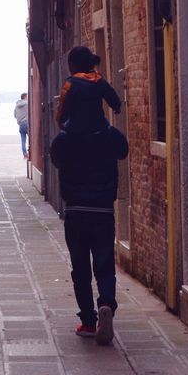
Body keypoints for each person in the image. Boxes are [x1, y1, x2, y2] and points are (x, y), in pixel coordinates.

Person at [50, 111, 129, 345]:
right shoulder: (109, 134)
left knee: (80, 269)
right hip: (103, 211)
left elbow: (55, 159)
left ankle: (87, 321)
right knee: (104, 266)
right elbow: (123, 151)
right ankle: (106, 303)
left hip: (75, 211)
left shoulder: (64, 138)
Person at [55, 45, 121, 135]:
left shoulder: (70, 84)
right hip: (99, 128)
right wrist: (116, 108)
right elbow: (114, 100)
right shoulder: (98, 79)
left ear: (71, 64)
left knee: (56, 145)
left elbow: (62, 114)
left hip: (77, 131)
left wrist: (60, 122)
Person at [14, 91, 29, 157]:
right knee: (31, 139)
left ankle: (25, 154)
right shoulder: (27, 103)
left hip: (21, 125)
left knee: (23, 141)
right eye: (27, 96)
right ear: (25, 97)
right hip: (27, 123)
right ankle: (30, 153)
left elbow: (15, 115)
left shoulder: (17, 105)